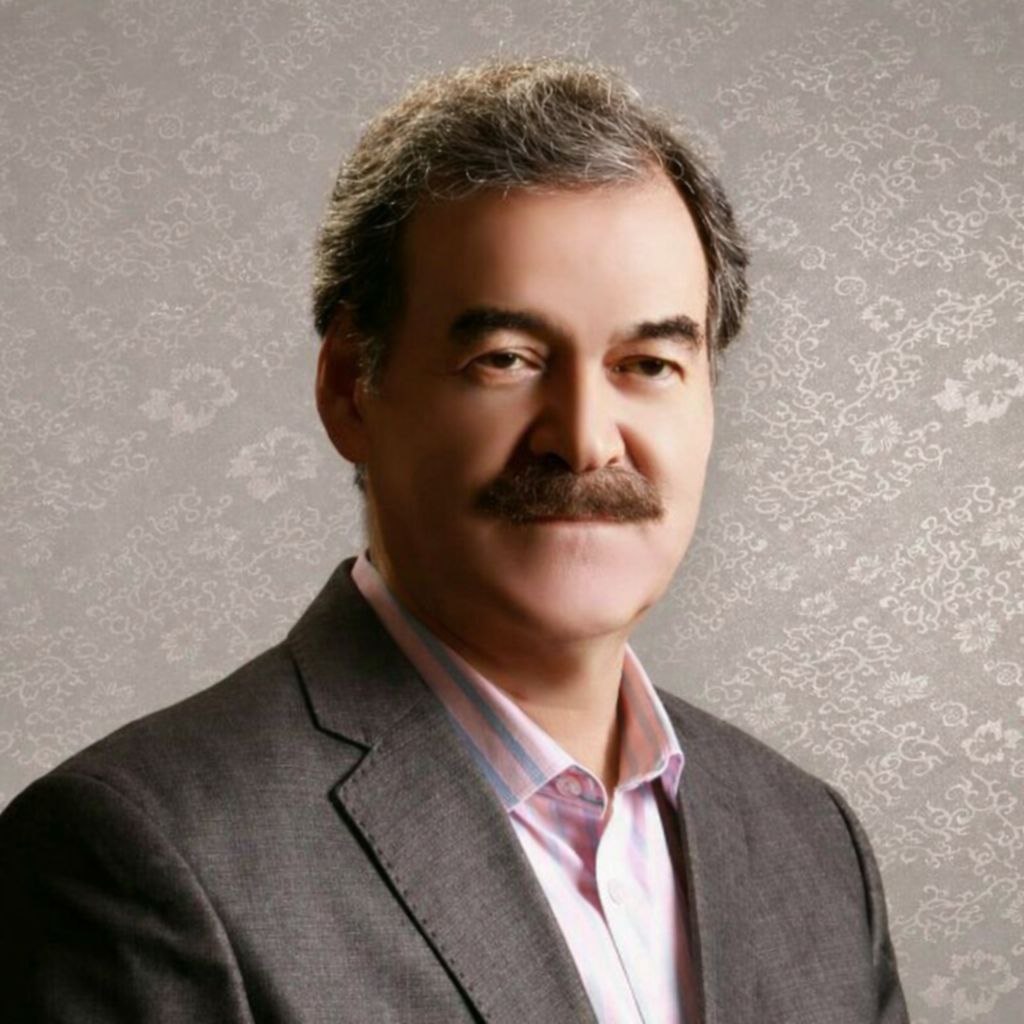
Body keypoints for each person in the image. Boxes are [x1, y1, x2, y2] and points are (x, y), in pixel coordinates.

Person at [0, 57, 909, 1023]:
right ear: (351, 389)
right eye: (507, 359)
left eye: (647, 364)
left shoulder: (811, 842)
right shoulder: (137, 854)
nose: (585, 440)